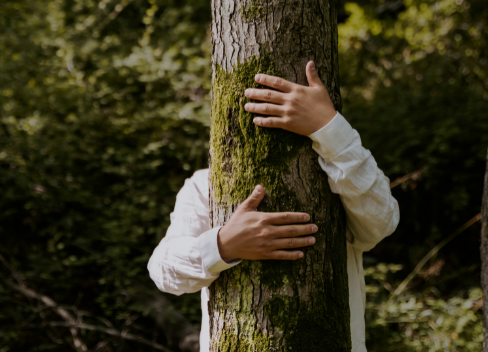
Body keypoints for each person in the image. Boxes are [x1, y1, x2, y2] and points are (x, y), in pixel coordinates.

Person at [148, 61, 400, 352]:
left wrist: (329, 127)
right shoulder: (204, 185)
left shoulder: (340, 168)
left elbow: (381, 223)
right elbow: (163, 270)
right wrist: (222, 245)